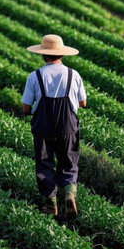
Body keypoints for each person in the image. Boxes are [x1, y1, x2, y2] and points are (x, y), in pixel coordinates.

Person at [21, 34, 87, 219]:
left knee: (44, 164)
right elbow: (83, 102)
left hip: (43, 128)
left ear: (43, 55)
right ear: (62, 54)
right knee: (68, 162)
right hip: (68, 127)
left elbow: (26, 107)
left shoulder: (35, 76)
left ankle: (51, 205)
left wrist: (35, 111)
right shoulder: (74, 75)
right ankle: (69, 194)